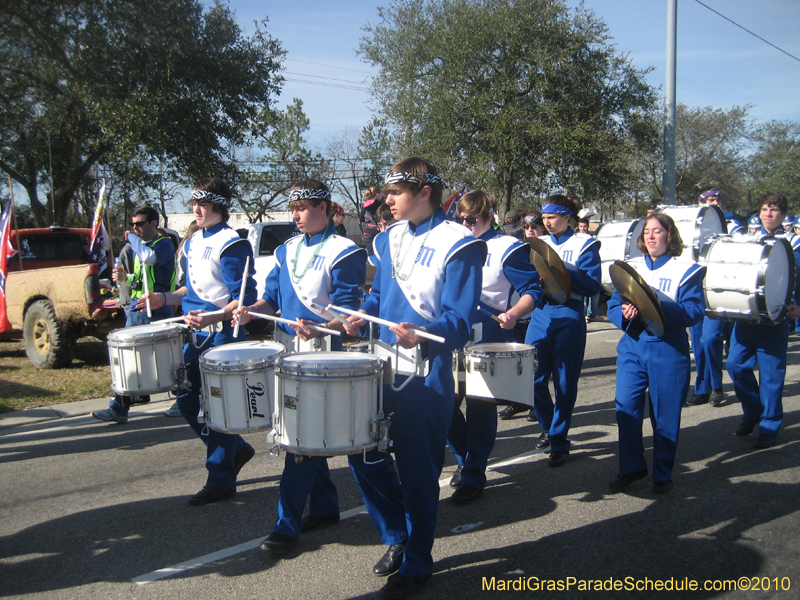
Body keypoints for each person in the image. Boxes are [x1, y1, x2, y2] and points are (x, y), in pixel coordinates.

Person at [343, 157, 486, 599]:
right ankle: (395, 535)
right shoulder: (386, 240)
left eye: (396, 191)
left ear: (424, 191)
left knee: (418, 469)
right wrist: (361, 317)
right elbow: (380, 295)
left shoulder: (459, 242)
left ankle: (419, 560)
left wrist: (423, 337)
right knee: (359, 454)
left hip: (426, 370)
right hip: (379, 363)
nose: (387, 199)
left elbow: (461, 320)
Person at [234, 180, 366, 555]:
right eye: (292, 209)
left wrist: (323, 326)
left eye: (303, 208)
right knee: (302, 434)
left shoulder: (344, 251)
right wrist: (250, 313)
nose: (295, 215)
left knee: (299, 442)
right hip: (286, 351)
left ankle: (286, 525)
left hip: (321, 353)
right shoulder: (285, 250)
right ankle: (324, 507)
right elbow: (271, 300)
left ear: (324, 208)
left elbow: (347, 309)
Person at [142, 178, 258, 505]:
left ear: (219, 206)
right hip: (194, 334)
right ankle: (236, 450)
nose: (196, 209)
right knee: (186, 401)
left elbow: (244, 298)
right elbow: (188, 292)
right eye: (194, 203)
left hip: (221, 334)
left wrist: (213, 317)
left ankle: (220, 476)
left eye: (203, 204)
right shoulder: (192, 242)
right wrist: (162, 296)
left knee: (217, 407)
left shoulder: (232, 243)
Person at [446, 190, 542, 504]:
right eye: (460, 217)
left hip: (488, 334)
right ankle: (465, 459)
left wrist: (514, 313)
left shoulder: (507, 248)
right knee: (444, 407)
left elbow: (532, 289)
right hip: (453, 334)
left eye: (471, 219)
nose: (464, 223)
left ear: (490, 216)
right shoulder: (453, 244)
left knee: (480, 410)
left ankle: (474, 473)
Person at [607, 214, 705, 494]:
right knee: (626, 406)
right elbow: (614, 305)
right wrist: (626, 313)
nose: (651, 236)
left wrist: (653, 305)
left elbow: (693, 311)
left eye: (658, 231)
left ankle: (662, 473)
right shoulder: (631, 268)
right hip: (633, 344)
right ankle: (631, 466)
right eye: (647, 231)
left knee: (665, 413)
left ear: (669, 236)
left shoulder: (686, 270)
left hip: (668, 347)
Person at [525, 195, 601, 465]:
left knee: (565, 382)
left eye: (552, 217)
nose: (546, 222)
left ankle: (559, 440)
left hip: (569, 310)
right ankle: (548, 426)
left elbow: (593, 286)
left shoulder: (585, 243)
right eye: (544, 217)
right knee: (530, 377)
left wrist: (562, 270)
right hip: (541, 312)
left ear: (567, 217)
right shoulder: (537, 243)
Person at [727, 192, 800, 449]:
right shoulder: (747, 241)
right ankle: (752, 410)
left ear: (783, 215)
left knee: (771, 377)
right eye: (765, 209)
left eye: (775, 210)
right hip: (746, 317)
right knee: (735, 365)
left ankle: (770, 425)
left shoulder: (793, 243)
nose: (769, 214)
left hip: (775, 319)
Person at [92, 206, 176, 424]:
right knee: (127, 360)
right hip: (136, 308)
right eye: (132, 225)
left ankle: (183, 400)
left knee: (168, 359)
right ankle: (118, 408)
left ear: (153, 224)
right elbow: (139, 277)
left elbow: (150, 260)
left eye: (138, 224)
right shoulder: (141, 248)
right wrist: (124, 278)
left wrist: (131, 239)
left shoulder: (163, 244)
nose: (134, 228)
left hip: (157, 309)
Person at [686, 189, 730, 407]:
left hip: (717, 291)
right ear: (700, 203)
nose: (715, 203)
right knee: (698, 343)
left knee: (710, 339)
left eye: (717, 200)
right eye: (710, 200)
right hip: (696, 291)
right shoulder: (690, 226)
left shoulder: (729, 224)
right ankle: (702, 388)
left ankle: (717, 384)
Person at [578, 217, 600, 324]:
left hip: (589, 270)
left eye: (585, 226)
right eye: (581, 226)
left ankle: (591, 313)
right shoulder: (575, 239)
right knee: (583, 296)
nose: (583, 229)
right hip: (580, 270)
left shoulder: (591, 239)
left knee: (593, 293)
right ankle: (584, 313)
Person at [362, 186, 383, 255]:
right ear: (377, 194)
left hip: (367, 232)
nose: (381, 196)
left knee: (371, 254)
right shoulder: (379, 205)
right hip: (377, 231)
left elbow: (361, 218)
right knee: (380, 254)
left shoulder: (364, 205)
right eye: (380, 194)